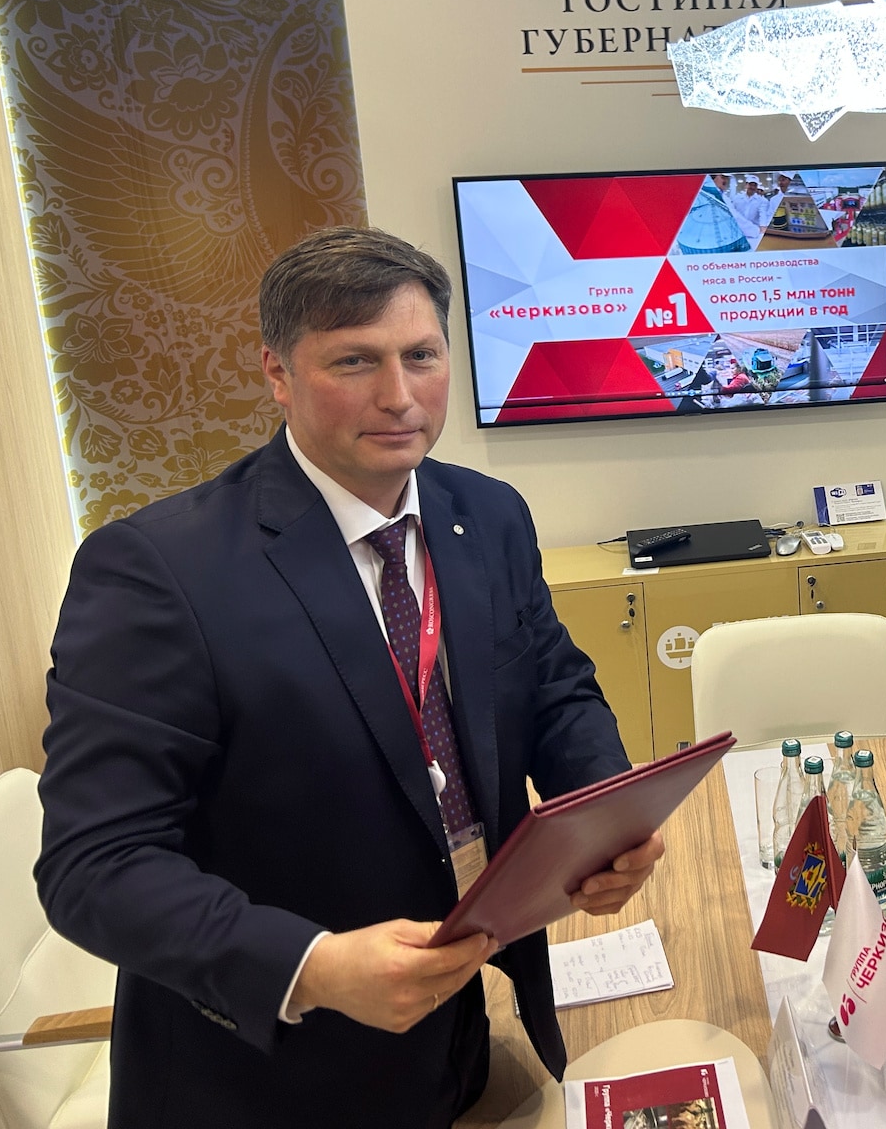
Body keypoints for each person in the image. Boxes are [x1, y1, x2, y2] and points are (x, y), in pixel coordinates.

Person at [35, 226, 662, 1127]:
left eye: (421, 356)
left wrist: (603, 811)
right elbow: (94, 865)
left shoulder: (486, 513)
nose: (399, 396)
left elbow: (553, 683)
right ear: (277, 372)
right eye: (355, 361)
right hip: (272, 1079)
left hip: (462, 1028)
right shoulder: (158, 571)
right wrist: (312, 967)